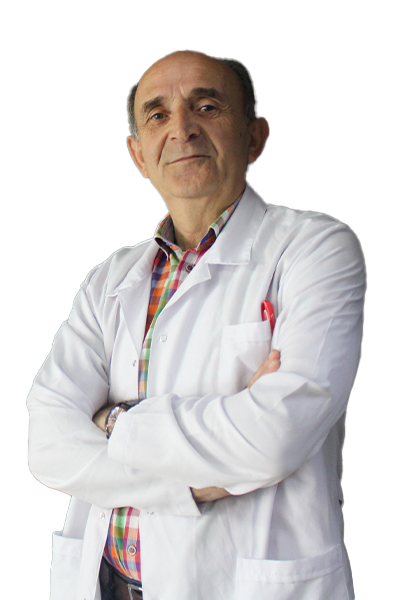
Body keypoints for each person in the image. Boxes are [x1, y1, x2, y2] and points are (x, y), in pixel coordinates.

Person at [27, 50, 365, 600]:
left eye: (206, 107)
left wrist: (113, 422)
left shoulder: (314, 250)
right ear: (138, 155)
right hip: (106, 583)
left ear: (254, 136)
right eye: (157, 115)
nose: (181, 128)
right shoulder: (108, 280)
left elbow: (275, 437)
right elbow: (47, 442)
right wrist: (197, 480)